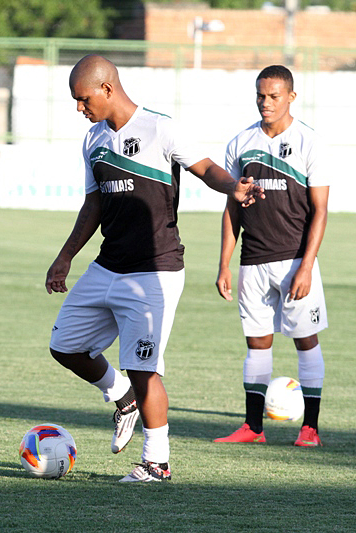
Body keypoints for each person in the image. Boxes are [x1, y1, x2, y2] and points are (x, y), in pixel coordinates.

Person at [46, 54, 265, 482]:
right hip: (108, 265)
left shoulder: (160, 128)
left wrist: (234, 187)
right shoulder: (93, 139)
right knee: (65, 346)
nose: (79, 108)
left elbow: (205, 169)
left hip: (154, 271)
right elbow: (94, 204)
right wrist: (66, 254)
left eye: (83, 98)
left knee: (144, 367)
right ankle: (121, 397)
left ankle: (156, 463)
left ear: (107, 89)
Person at [212, 65, 329, 447]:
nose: (266, 102)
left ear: (291, 97)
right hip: (252, 261)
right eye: (261, 95)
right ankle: (253, 427)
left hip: (295, 260)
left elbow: (321, 211)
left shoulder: (310, 142)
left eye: (275, 96)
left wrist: (307, 267)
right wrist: (224, 263)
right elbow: (233, 208)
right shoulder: (240, 143)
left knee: (305, 339)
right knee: (256, 342)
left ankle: (309, 429)